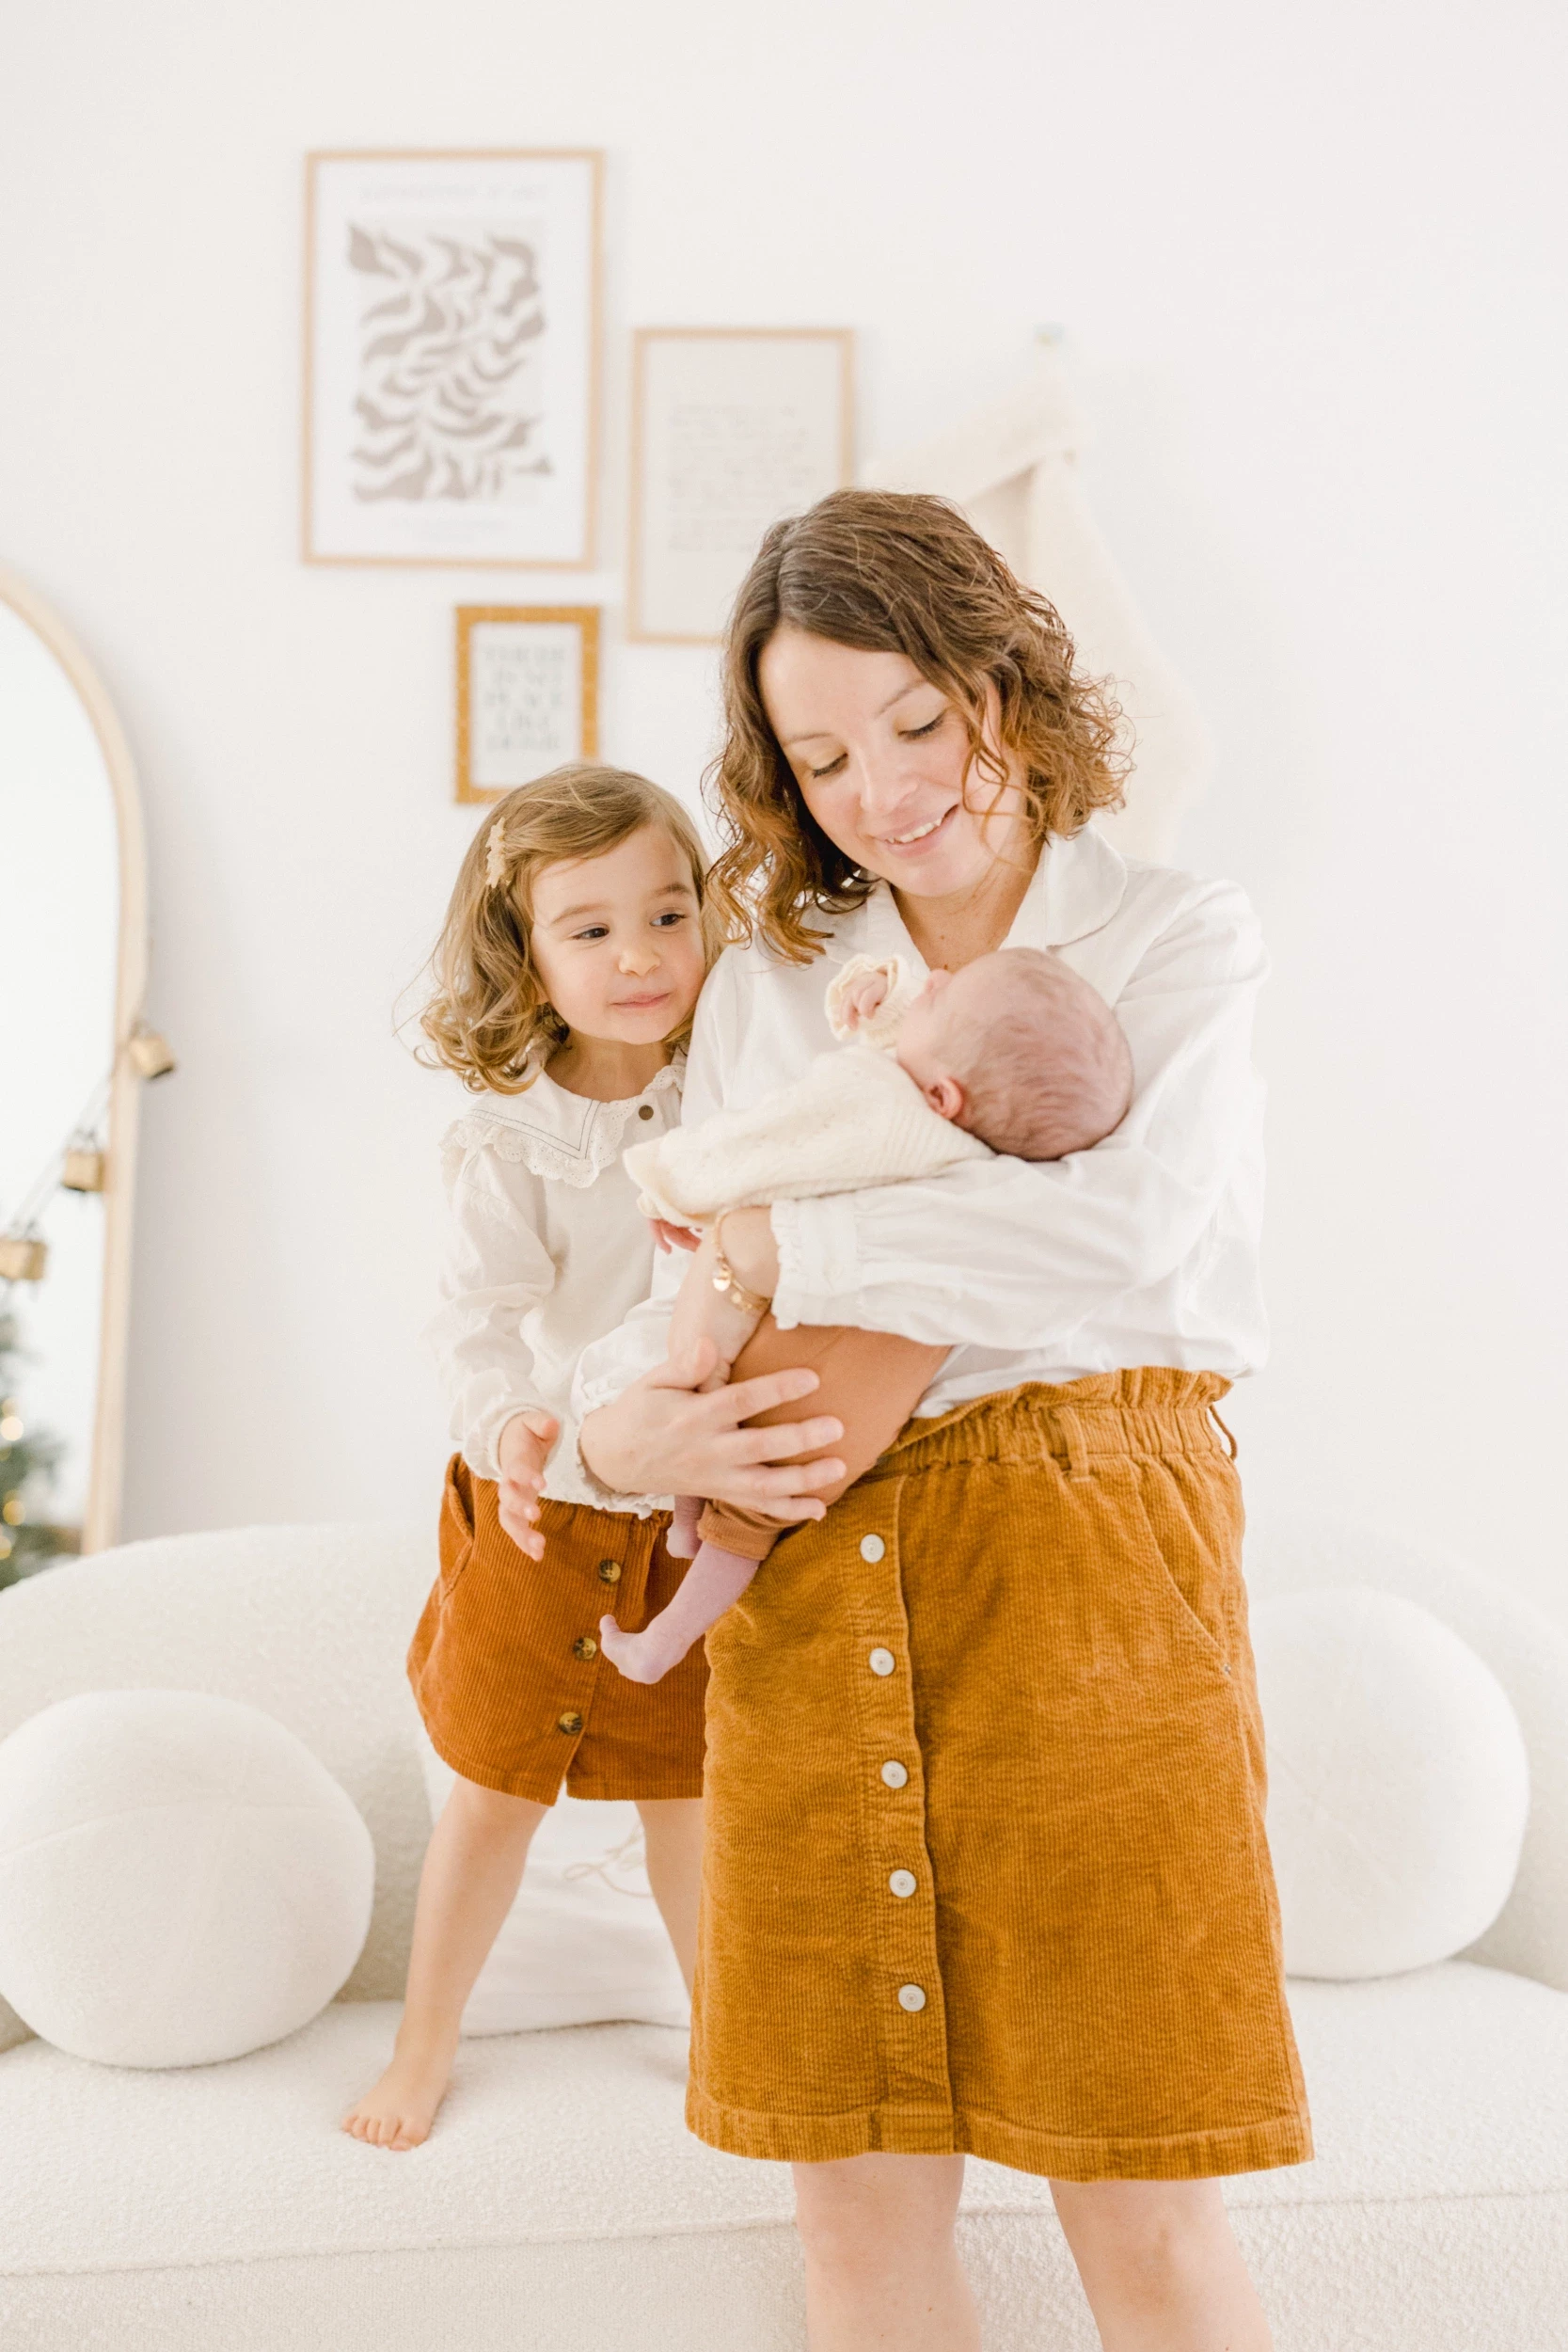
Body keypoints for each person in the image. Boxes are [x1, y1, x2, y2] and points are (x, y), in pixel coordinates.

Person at [567, 493, 1311, 2351]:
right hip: (809, 1561)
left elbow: (1121, 1229)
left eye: (912, 721)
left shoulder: (1166, 934)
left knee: (1143, 2222)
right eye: (818, 757)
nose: (881, 790)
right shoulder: (761, 982)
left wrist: (783, 1238)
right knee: (855, 2237)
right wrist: (621, 1441)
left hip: (1088, 1554)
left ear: (1002, 674)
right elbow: (662, 1261)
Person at [342, 763, 715, 2152]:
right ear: (526, 950)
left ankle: (715, 2038)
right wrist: (510, 1427)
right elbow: (473, 1325)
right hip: (541, 1513)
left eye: (666, 914)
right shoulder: (510, 1142)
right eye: (592, 928)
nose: (639, 957)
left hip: (682, 1520)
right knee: (495, 1797)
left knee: (687, 1795)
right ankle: (424, 2046)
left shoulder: (729, 1091)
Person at [598, 945, 1132, 1684]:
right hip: (880, 1380)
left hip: (796, 1351)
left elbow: (771, 1147)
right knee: (751, 1511)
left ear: (943, 1097)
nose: (934, 978)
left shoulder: (885, 1112)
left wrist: (667, 1186)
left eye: (939, 995)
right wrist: (897, 996)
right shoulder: (987, 1160)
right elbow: (941, 1051)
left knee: (704, 1384)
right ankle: (675, 1593)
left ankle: (664, 1628)